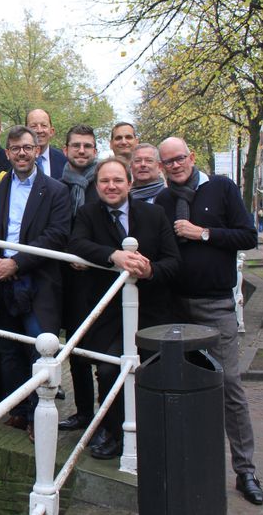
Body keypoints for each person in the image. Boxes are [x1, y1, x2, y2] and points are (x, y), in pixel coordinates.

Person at [155, 137, 263, 506]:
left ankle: (245, 470)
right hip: (176, 309)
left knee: (229, 384)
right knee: (180, 386)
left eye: (179, 158)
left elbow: (248, 235)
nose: (174, 166)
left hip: (216, 306)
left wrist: (201, 233)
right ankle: (189, 465)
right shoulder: (163, 201)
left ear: (192, 157)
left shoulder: (221, 188)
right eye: (167, 161)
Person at [67, 159, 180, 458]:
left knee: (151, 373)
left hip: (150, 312)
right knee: (107, 370)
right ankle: (114, 431)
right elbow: (76, 243)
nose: (111, 186)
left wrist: (150, 270)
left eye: (118, 180)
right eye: (105, 181)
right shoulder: (87, 213)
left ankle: (152, 432)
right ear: (97, 185)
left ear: (129, 184)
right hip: (108, 314)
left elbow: (173, 261)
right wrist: (113, 255)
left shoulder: (154, 215)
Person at [0, 125, 70, 437]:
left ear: (37, 150)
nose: (22, 153)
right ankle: (18, 410)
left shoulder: (55, 190)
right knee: (8, 350)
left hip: (36, 282)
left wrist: (16, 263)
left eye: (27, 147)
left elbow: (57, 234)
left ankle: (40, 414)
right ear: (8, 152)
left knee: (39, 349)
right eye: (15, 148)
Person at [57, 124, 100, 434]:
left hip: (100, 276)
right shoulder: (58, 187)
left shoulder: (106, 184)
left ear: (95, 151)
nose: (82, 151)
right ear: (66, 151)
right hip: (68, 279)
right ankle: (84, 411)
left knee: (107, 351)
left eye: (87, 146)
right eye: (76, 146)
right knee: (77, 347)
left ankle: (108, 417)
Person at [25, 108, 66, 179]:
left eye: (44, 125)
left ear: (51, 131)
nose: (39, 130)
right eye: (33, 126)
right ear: (25, 131)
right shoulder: (15, 160)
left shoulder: (64, 161)